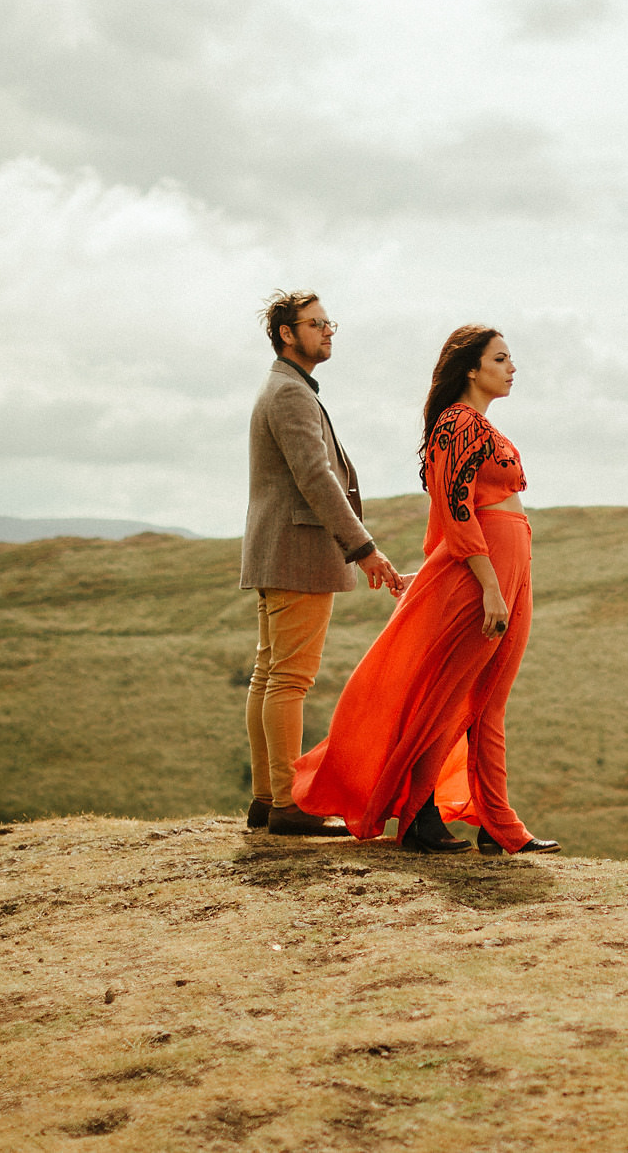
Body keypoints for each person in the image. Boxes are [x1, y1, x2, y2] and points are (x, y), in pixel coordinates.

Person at [290, 325, 558, 856]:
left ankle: (495, 821)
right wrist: (485, 586)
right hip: (487, 573)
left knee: (490, 699)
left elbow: (446, 513)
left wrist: (440, 567)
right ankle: (419, 814)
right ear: (472, 369)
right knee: (449, 697)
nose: (511, 368)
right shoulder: (457, 424)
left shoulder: (477, 425)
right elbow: (455, 510)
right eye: (500, 359)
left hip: (510, 565)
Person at [239, 290, 404, 838]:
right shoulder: (289, 393)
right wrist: (364, 549)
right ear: (287, 333)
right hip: (299, 554)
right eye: (316, 323)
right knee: (288, 679)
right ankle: (287, 803)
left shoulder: (288, 388)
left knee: (269, 676)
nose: (328, 330)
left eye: (330, 321)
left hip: (281, 552)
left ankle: (268, 798)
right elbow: (316, 479)